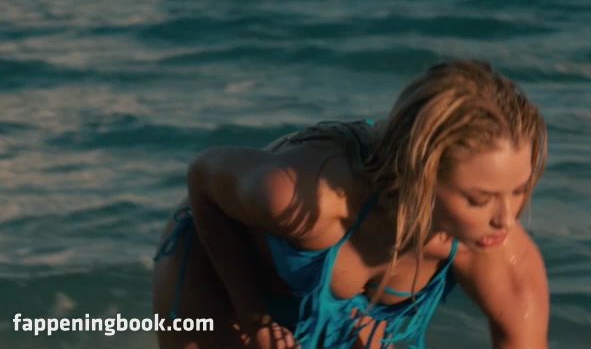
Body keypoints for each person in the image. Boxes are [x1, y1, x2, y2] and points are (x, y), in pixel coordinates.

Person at [151, 59, 550, 348]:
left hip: (347, 313)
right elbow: (202, 178)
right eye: (479, 199)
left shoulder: (496, 251)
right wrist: (253, 316)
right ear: (422, 176)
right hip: (220, 268)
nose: (506, 219)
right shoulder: (307, 199)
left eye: (518, 190)